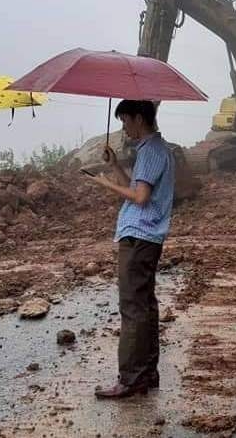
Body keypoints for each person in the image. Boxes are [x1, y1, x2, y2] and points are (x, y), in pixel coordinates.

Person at [89, 100, 174, 399]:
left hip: (139, 237)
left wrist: (103, 184)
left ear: (139, 118)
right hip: (146, 237)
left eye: (125, 120)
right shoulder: (152, 150)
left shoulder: (151, 151)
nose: (124, 127)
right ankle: (148, 373)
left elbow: (138, 198)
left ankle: (130, 379)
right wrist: (114, 168)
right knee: (145, 306)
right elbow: (137, 190)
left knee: (133, 308)